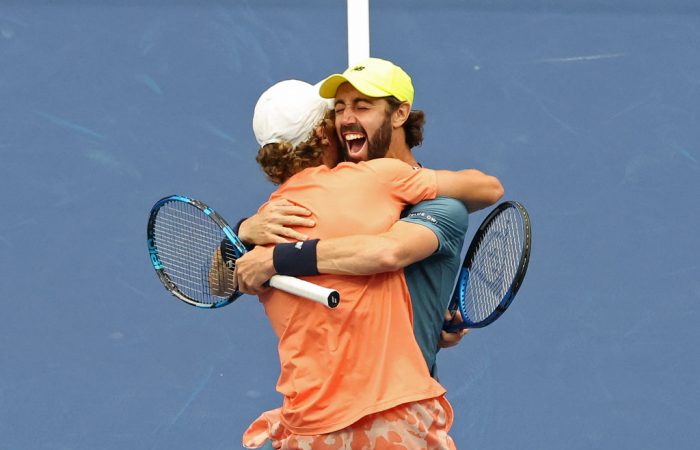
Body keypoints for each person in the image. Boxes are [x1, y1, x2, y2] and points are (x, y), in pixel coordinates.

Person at [222, 77, 502, 449]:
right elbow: (486, 190)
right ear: (324, 134)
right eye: (336, 111)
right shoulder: (378, 179)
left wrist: (245, 235)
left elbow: (218, 279)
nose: (345, 120)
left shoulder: (266, 223)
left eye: (359, 107)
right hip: (389, 418)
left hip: (307, 429)